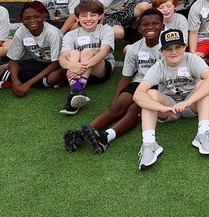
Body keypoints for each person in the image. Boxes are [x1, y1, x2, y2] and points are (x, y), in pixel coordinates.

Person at [63, 9, 163, 155]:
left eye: (155, 23)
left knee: (134, 109)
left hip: (158, 87)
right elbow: (126, 77)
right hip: (140, 84)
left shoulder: (167, 48)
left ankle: (106, 137)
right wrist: (116, 99)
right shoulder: (134, 49)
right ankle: (80, 135)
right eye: (145, 24)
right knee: (117, 108)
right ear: (139, 28)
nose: (150, 27)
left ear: (163, 26)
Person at [133, 29, 209, 170]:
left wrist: (188, 102)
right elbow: (138, 94)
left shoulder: (192, 59)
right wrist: (163, 108)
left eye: (178, 47)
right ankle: (149, 143)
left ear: (185, 47)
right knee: (151, 93)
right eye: (168, 49)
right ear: (161, 51)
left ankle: (203, 133)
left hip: (191, 104)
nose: (174, 52)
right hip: (169, 108)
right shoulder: (158, 66)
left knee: (203, 84)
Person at [0, 2, 64, 95]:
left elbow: (56, 63)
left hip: (52, 65)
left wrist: (28, 84)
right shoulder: (21, 32)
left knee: (54, 77)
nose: (32, 20)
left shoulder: (53, 33)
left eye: (36, 16)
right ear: (22, 20)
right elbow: (14, 59)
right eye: (26, 18)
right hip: (37, 63)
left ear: (44, 16)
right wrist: (15, 81)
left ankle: (30, 83)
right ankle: (39, 83)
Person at [59, 0, 116, 115]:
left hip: (101, 69)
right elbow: (62, 57)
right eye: (84, 16)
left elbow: (104, 52)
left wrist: (80, 67)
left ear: (100, 16)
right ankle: (77, 91)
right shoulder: (70, 35)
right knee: (73, 53)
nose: (88, 19)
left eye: (93, 15)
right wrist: (71, 66)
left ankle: (75, 90)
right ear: (77, 18)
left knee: (87, 52)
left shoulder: (106, 29)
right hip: (80, 73)